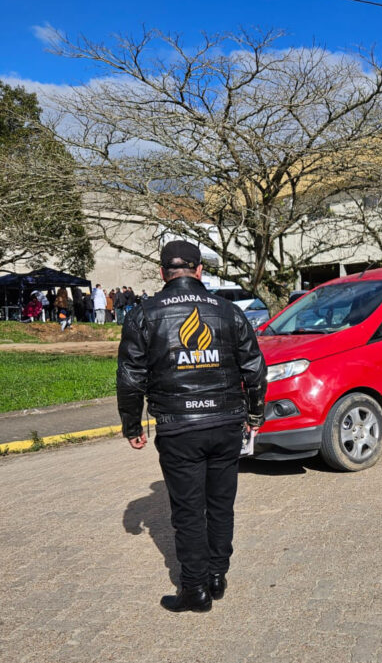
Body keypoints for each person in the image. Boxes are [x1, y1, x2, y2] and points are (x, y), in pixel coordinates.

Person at [118, 240, 267, 613]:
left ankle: (195, 589)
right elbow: (254, 369)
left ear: (162, 272)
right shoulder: (229, 310)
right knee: (220, 505)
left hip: (178, 426)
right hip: (225, 422)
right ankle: (217, 576)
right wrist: (254, 415)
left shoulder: (143, 314)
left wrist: (131, 424)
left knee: (187, 511)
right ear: (200, 270)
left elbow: (131, 376)